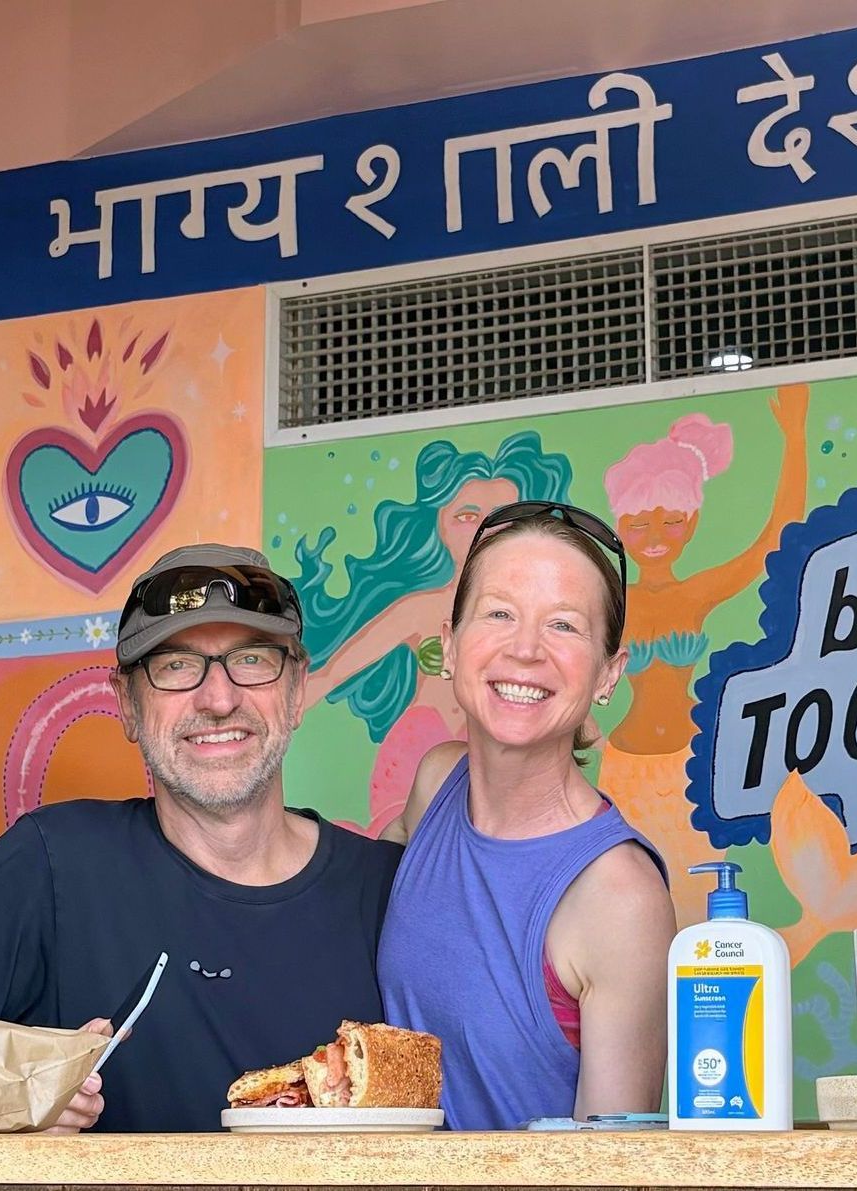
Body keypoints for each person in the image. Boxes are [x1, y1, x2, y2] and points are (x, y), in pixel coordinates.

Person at [0, 545, 402, 1133]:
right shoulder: (49, 865)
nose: (218, 698)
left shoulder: (394, 890)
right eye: (177, 665)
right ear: (127, 703)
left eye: (253, 659)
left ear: (296, 690)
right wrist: (0, 1115)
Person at [376, 502, 675, 1130]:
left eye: (563, 625)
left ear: (607, 673)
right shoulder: (435, 786)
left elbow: (611, 1174)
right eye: (500, 613)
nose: (526, 648)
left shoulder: (619, 895)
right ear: (451, 646)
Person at [292, 432, 572, 834]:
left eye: (502, 517)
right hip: (415, 753)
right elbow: (336, 670)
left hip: (499, 765)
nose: (483, 530)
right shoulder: (420, 609)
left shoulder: (534, 620)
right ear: (442, 525)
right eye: (467, 515)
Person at [599, 389, 808, 924]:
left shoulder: (694, 595)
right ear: (621, 528)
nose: (653, 537)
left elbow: (776, 538)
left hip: (691, 767)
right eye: (638, 523)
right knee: (627, 909)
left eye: (670, 521)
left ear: (691, 524)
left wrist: (795, 436)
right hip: (625, 770)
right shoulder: (613, 600)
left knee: (701, 906)